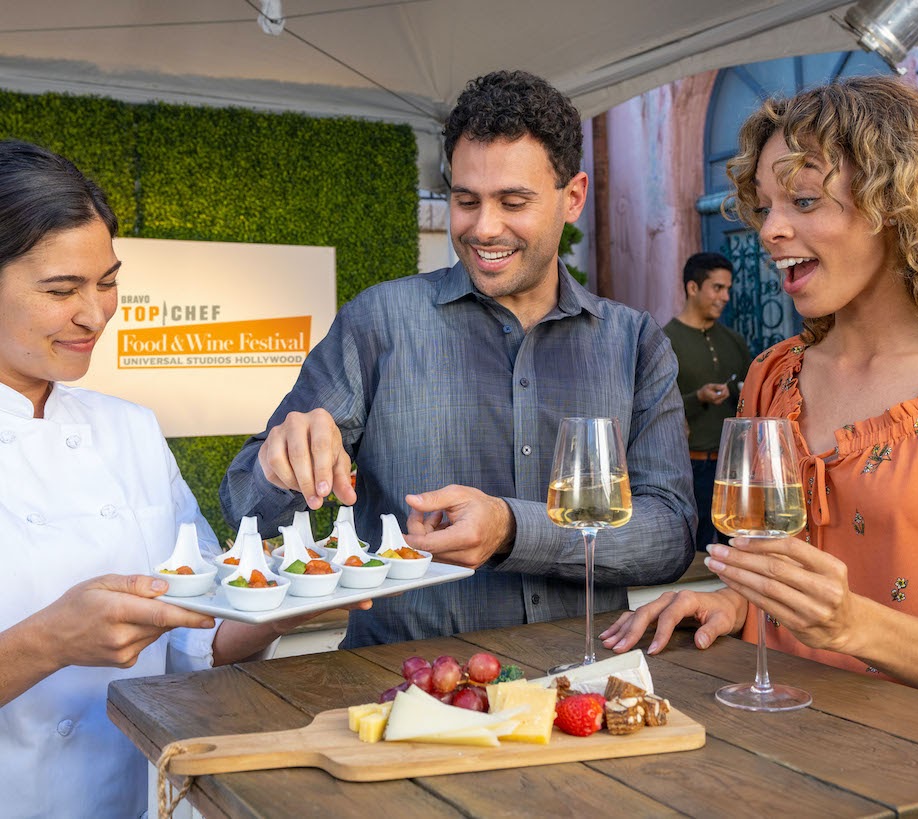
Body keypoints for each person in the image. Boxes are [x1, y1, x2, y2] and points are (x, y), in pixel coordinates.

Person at [221, 69, 696, 648]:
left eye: (513, 202)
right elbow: (243, 504)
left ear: (573, 197)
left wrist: (513, 529)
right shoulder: (379, 322)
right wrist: (281, 464)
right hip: (401, 686)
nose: (484, 228)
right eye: (466, 201)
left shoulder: (634, 343)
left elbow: (670, 537)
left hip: (584, 684)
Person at [601, 76, 918, 708]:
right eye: (765, 205)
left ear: (897, 203)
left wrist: (853, 626)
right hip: (767, 741)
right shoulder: (775, 375)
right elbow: (775, 575)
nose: (770, 229)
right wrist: (733, 602)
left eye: (803, 200)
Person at [0, 139, 371, 816]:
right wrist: (46, 642)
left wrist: (279, 607)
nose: (95, 313)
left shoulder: (131, 430)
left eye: (107, 281)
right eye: (61, 290)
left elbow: (198, 641)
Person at [662, 252, 751, 549]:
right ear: (693, 287)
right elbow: (654, 407)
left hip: (736, 468)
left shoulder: (734, 340)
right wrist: (697, 397)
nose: (726, 297)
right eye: (717, 288)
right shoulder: (664, 341)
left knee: (739, 551)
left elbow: (753, 393)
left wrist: (735, 391)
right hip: (690, 467)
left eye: (728, 288)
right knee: (693, 552)